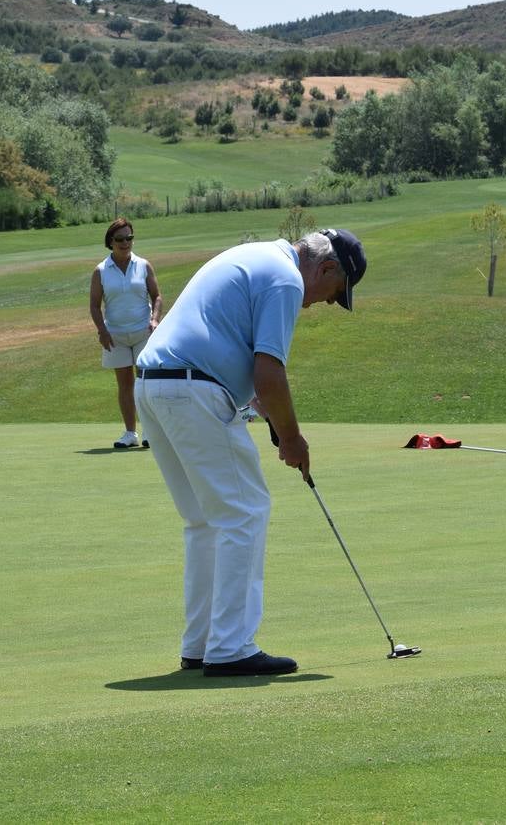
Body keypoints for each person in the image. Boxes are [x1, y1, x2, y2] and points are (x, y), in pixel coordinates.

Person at [135, 229, 366, 676]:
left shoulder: (257, 255)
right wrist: (293, 438)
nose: (318, 304)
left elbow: (239, 362)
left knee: (205, 521)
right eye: (332, 294)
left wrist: (273, 420)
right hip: (193, 391)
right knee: (245, 512)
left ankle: (201, 644)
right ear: (326, 269)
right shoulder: (286, 279)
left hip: (156, 385)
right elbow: (268, 371)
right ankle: (231, 648)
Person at [89, 218, 162, 449]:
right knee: (125, 384)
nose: (125, 243)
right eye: (119, 239)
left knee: (144, 384)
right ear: (110, 242)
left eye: (129, 238)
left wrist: (154, 319)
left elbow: (156, 296)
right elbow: (94, 304)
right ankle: (130, 433)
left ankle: (150, 431)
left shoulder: (143, 265)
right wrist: (101, 330)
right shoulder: (101, 270)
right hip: (116, 335)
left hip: (142, 331)